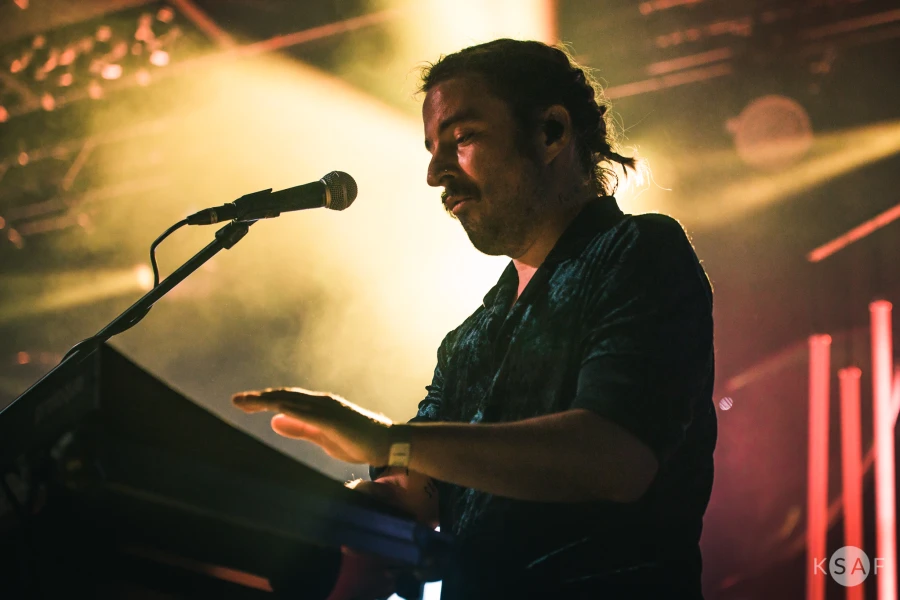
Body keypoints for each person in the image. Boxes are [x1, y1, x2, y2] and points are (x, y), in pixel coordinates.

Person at [233, 39, 716, 600]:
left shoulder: (638, 250)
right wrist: (279, 503)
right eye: (432, 148)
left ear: (551, 132)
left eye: (461, 138)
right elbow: (420, 490)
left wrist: (390, 440)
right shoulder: (468, 338)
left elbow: (614, 460)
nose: (436, 173)